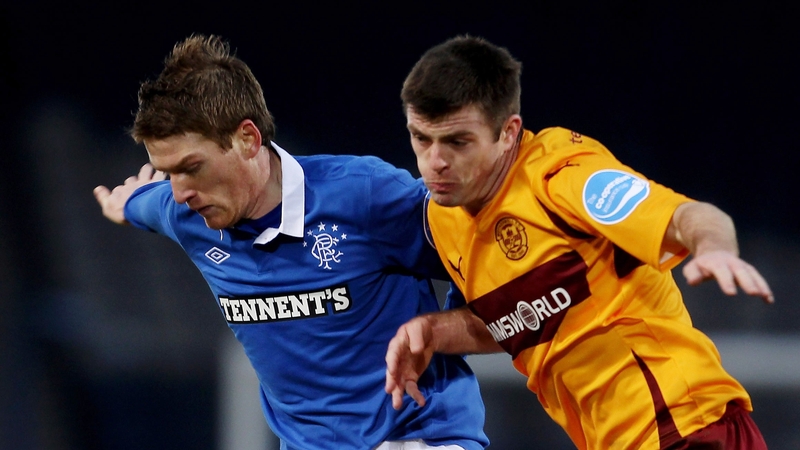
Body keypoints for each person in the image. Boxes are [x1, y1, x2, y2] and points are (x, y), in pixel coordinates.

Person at [93, 34, 489, 450]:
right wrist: (123, 204)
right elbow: (141, 203)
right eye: (168, 172)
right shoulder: (183, 213)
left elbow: (482, 252)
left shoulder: (365, 196)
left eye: (192, 167)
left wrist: (442, 329)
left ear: (248, 139)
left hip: (417, 437)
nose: (179, 192)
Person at [385, 35, 774, 450]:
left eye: (457, 142)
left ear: (508, 132)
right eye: (421, 138)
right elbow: (521, 318)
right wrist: (432, 331)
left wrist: (714, 248)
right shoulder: (442, 216)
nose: (435, 161)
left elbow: (690, 216)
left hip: (684, 425)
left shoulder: (562, 178)